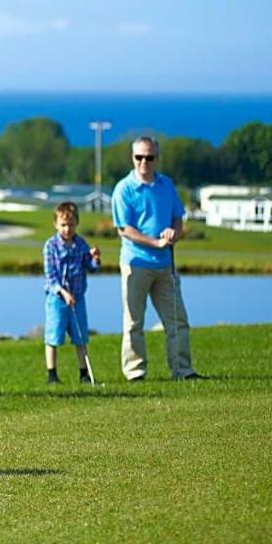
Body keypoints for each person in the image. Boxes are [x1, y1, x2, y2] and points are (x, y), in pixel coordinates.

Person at [111, 136, 202, 381]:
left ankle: (183, 370)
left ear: (156, 159)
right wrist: (155, 242)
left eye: (149, 157)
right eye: (139, 157)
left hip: (165, 265)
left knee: (177, 321)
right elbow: (124, 229)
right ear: (132, 158)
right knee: (133, 322)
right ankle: (135, 372)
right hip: (136, 263)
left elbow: (177, 218)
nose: (144, 162)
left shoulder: (166, 185)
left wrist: (174, 232)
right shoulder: (124, 189)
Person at [42, 201, 101, 385]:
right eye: (63, 225)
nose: (67, 229)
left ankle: (84, 374)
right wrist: (63, 293)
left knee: (80, 337)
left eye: (71, 225)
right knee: (54, 336)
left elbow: (90, 268)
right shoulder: (51, 246)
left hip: (78, 299)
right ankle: (52, 375)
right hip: (57, 299)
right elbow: (51, 277)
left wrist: (95, 259)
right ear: (56, 224)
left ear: (76, 224)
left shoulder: (81, 244)